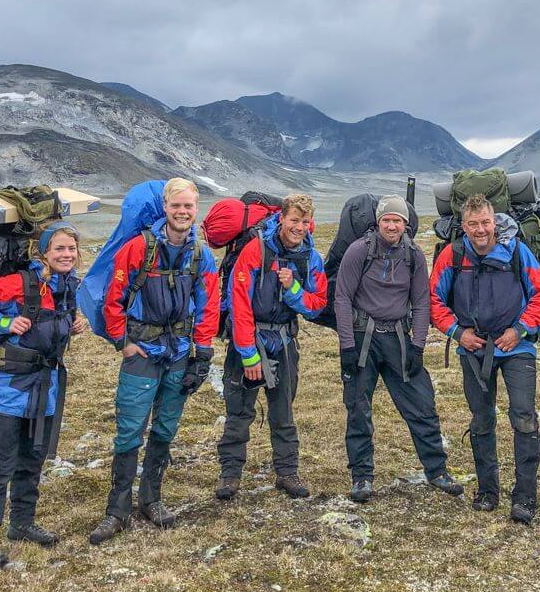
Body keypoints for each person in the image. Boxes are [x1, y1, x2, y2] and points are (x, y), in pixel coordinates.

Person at [87, 178, 219, 545]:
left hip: (178, 353)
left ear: (196, 210)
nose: (182, 212)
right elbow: (114, 299)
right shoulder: (137, 249)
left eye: (188, 207)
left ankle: (151, 499)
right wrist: (123, 343)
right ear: (165, 207)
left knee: (165, 427)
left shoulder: (201, 255)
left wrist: (202, 352)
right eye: (176, 206)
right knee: (130, 428)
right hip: (142, 352)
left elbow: (208, 306)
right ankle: (117, 510)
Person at [0, 221, 86, 570]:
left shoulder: (67, 286)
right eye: (59, 248)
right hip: (7, 391)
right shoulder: (20, 284)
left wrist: (72, 324)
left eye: (71, 249)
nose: (66, 254)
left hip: (44, 389)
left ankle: (22, 523)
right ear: (43, 252)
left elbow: (53, 328)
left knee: (31, 460)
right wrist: (4, 325)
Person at [429, 194, 540, 524]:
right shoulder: (452, 255)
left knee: (524, 417)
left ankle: (525, 496)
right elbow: (434, 301)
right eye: (473, 224)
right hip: (473, 349)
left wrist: (521, 330)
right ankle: (487, 490)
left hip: (517, 348)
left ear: (493, 221)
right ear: (464, 226)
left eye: (485, 223)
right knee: (482, 419)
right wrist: (458, 333)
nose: (481, 230)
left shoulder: (516, 251)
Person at [334, 195, 462, 503]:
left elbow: (421, 302)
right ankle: (361, 477)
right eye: (387, 220)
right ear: (378, 222)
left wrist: (418, 345)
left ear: (405, 224)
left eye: (397, 220)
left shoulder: (413, 254)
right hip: (363, 337)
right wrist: (347, 347)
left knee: (421, 405)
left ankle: (437, 471)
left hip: (399, 340)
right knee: (358, 409)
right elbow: (341, 298)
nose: (392, 225)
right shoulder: (358, 252)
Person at [215, 194, 327, 500]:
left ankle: (287, 473)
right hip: (248, 344)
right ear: (281, 219)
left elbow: (316, 305)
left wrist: (292, 288)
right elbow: (239, 303)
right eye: (294, 220)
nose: (299, 227)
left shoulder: (310, 258)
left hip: (285, 343)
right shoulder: (255, 251)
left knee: (283, 411)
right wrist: (248, 354)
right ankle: (230, 475)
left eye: (305, 222)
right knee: (239, 411)